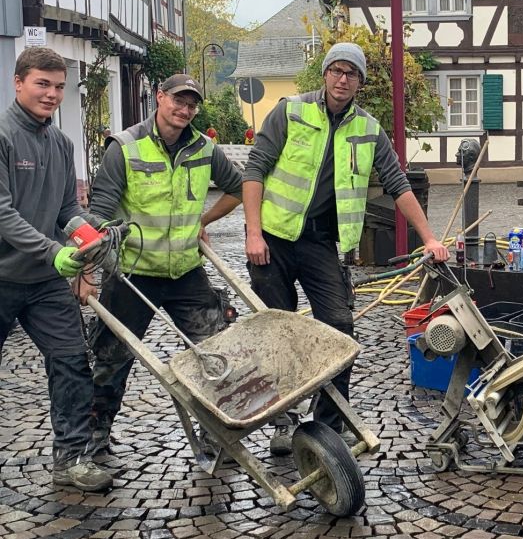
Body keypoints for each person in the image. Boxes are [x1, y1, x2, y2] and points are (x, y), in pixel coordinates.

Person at [243, 41, 449, 455]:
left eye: (351, 73)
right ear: (324, 75)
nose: (342, 79)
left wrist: (429, 237)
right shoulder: (290, 111)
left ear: (360, 82)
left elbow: (398, 186)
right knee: (278, 333)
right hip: (274, 240)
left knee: (339, 327)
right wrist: (252, 233)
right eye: (336, 70)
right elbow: (255, 170)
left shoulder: (368, 130)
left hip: (321, 242)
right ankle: (283, 422)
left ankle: (328, 426)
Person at [84, 74, 244, 460]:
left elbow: (238, 188)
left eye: (191, 105)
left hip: (186, 272)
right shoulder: (124, 148)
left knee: (213, 353)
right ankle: (95, 432)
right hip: (133, 273)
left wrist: (203, 222)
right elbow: (100, 213)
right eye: (178, 101)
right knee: (111, 358)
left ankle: (216, 433)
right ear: (159, 98)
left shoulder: (205, 149)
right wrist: (86, 269)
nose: (184, 110)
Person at [0, 47, 113, 491]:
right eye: (42, 84)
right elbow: (3, 212)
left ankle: (71, 458)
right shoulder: (4, 136)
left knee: (70, 361)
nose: (51, 94)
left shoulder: (61, 144)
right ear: (18, 83)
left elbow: (67, 207)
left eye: (59, 86)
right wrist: (53, 251)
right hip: (4, 275)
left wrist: (89, 236)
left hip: (45, 282)